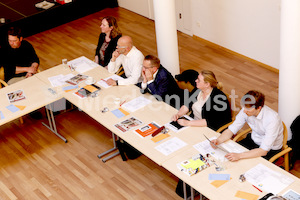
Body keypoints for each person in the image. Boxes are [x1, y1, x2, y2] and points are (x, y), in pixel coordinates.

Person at [211, 90, 283, 161]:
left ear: (259, 108)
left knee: (246, 165)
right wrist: (218, 140)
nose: (244, 111)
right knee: (228, 156)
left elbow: (263, 150)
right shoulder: (246, 109)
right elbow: (232, 129)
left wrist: (239, 156)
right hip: (254, 140)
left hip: (270, 149)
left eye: (248, 109)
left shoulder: (273, 119)